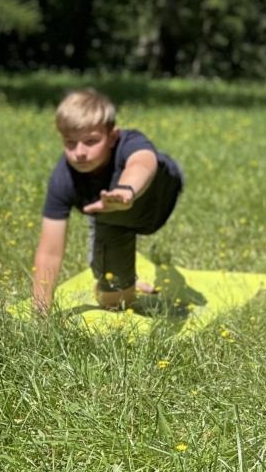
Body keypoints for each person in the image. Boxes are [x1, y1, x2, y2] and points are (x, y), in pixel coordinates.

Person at [31, 88, 184, 312]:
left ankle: (113, 217)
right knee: (116, 304)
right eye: (70, 143)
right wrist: (40, 312)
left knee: (149, 170)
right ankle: (128, 282)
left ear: (112, 137)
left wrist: (126, 191)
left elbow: (143, 163)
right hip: (113, 220)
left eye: (90, 141)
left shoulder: (129, 141)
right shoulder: (62, 178)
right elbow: (49, 252)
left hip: (159, 194)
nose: (79, 152)